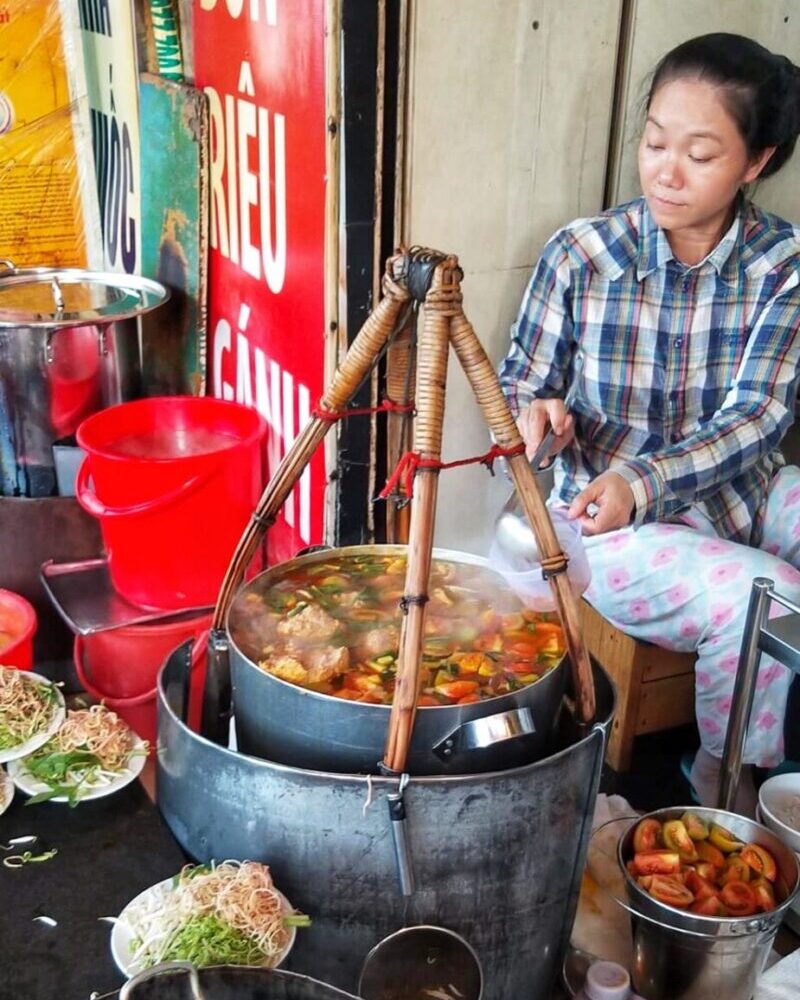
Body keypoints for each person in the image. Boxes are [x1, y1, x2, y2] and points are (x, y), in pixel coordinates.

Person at [498, 32, 800, 814]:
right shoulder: (581, 255)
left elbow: (759, 415)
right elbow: (517, 389)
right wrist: (537, 420)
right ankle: (727, 785)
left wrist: (649, 478)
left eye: (700, 154)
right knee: (764, 591)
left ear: (756, 161)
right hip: (605, 525)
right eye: (656, 140)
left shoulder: (784, 266)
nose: (666, 170)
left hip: (733, 495)